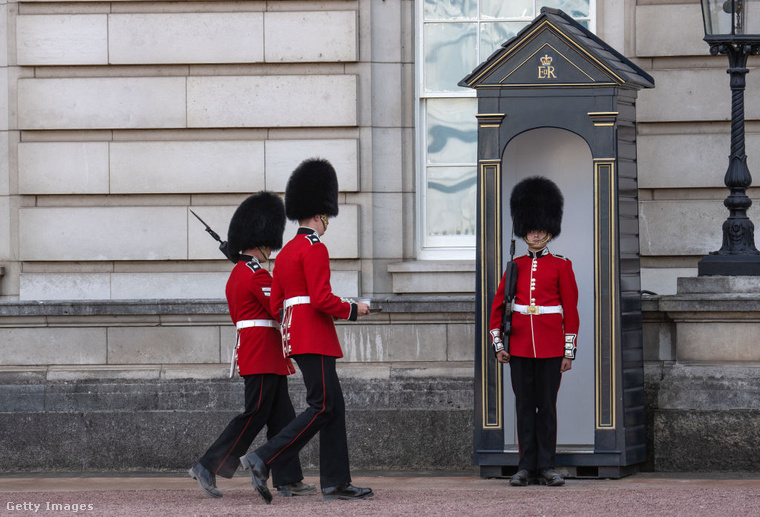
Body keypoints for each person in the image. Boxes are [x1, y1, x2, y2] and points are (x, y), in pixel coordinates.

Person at [239, 157, 373, 504]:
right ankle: (263, 458)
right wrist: (353, 309)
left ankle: (336, 482)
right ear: (320, 215)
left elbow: (277, 304)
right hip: (315, 334)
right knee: (322, 404)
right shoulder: (315, 248)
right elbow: (322, 298)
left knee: (333, 407)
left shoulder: (284, 255)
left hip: (295, 336)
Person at [189, 191, 316, 499]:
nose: (271, 250)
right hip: (261, 353)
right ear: (259, 243)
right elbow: (279, 308)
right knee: (254, 414)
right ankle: (208, 465)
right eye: (269, 245)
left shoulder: (242, 273)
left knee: (282, 419)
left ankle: (288, 479)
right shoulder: (255, 275)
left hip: (265, 353)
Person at [488, 176, 579, 487]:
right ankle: (526, 465)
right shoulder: (514, 266)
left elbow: (571, 312)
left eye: (540, 228)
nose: (535, 233)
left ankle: (547, 465)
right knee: (524, 407)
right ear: (524, 231)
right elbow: (497, 309)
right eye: (530, 228)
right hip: (520, 347)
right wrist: (499, 344)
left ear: (549, 231)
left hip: (552, 347)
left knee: (547, 407)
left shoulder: (562, 266)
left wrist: (569, 352)